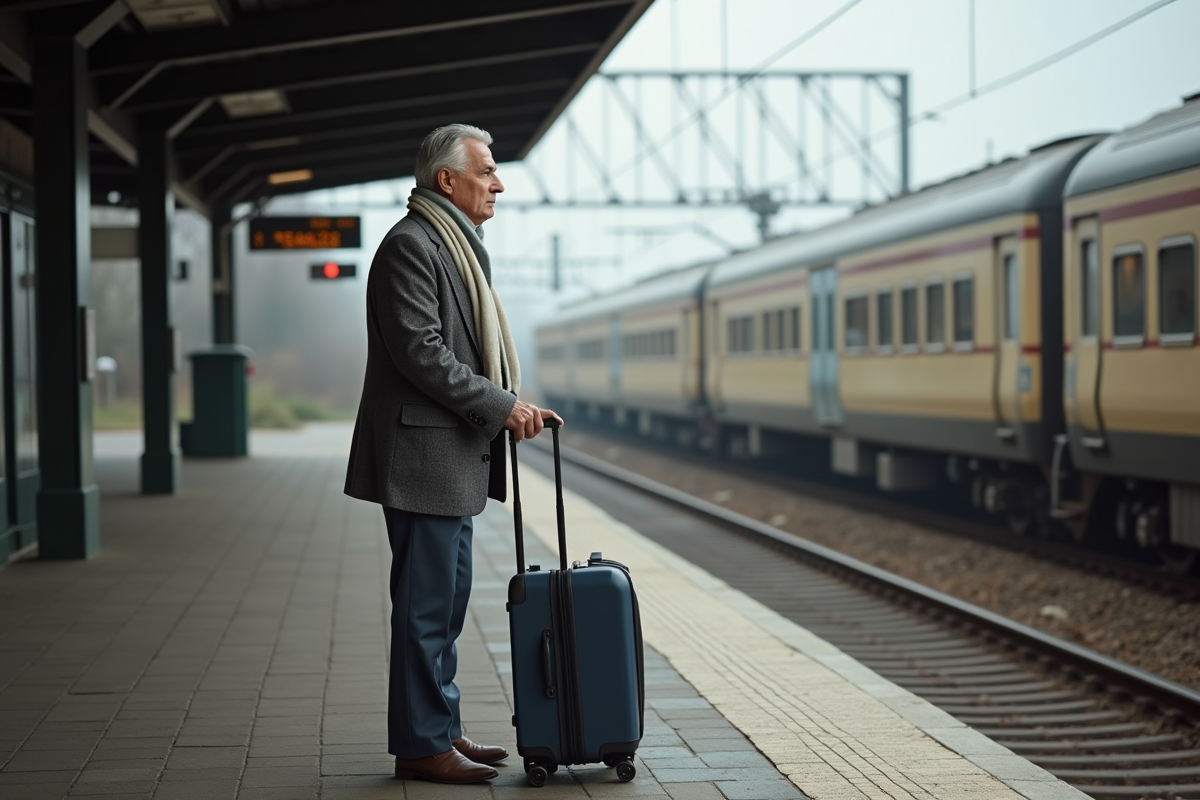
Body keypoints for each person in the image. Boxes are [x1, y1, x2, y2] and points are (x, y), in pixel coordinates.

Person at [344, 124, 562, 784]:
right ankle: (421, 746)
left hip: (448, 460)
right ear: (447, 180)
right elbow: (422, 352)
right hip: (422, 460)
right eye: (486, 171)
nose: (499, 184)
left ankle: (439, 728)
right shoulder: (412, 246)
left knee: (444, 603)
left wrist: (510, 405)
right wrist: (502, 406)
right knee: (425, 608)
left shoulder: (452, 245)